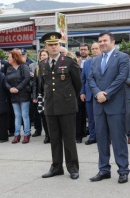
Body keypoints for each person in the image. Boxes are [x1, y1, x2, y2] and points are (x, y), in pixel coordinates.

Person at [88, 32, 130, 184]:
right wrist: (98, 93)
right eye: (100, 41)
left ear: (112, 41)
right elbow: (90, 79)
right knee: (102, 139)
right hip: (98, 105)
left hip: (115, 105)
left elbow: (122, 77)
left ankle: (123, 170)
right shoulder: (94, 60)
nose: (102, 43)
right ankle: (104, 169)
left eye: (105, 40)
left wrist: (107, 93)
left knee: (118, 140)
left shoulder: (122, 57)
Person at [39, 32, 82, 180]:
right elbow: (42, 86)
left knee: (69, 138)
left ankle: (73, 167)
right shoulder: (42, 64)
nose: (53, 47)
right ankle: (56, 167)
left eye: (56, 44)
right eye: (50, 45)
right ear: (46, 47)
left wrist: (68, 98)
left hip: (67, 106)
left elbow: (78, 84)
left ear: (59, 45)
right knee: (55, 138)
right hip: (50, 106)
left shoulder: (69, 61)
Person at [5, 50, 31, 144]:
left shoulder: (24, 66)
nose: (8, 58)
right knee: (17, 115)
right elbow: (6, 81)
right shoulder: (9, 69)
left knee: (25, 115)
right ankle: (17, 135)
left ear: (14, 58)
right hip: (14, 95)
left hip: (23, 94)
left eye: (9, 56)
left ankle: (27, 134)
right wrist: (10, 88)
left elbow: (27, 78)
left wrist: (18, 88)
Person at [80, 42, 101, 145]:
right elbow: (83, 79)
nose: (95, 50)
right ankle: (92, 137)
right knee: (91, 118)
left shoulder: (105, 61)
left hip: (101, 95)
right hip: (89, 95)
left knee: (101, 118)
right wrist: (82, 92)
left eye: (96, 48)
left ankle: (104, 137)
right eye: (93, 49)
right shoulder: (87, 63)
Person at [32, 49, 50, 144]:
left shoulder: (51, 66)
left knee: (51, 116)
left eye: (44, 55)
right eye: (41, 55)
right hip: (41, 95)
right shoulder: (37, 68)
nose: (42, 56)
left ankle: (53, 135)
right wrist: (34, 96)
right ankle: (47, 135)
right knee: (43, 116)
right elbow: (35, 83)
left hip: (50, 95)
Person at [76, 43, 90, 143]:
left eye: (85, 49)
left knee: (90, 115)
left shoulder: (92, 61)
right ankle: (79, 135)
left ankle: (92, 134)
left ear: (88, 51)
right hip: (78, 92)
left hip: (89, 91)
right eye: (81, 49)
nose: (83, 51)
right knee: (79, 115)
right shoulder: (76, 62)